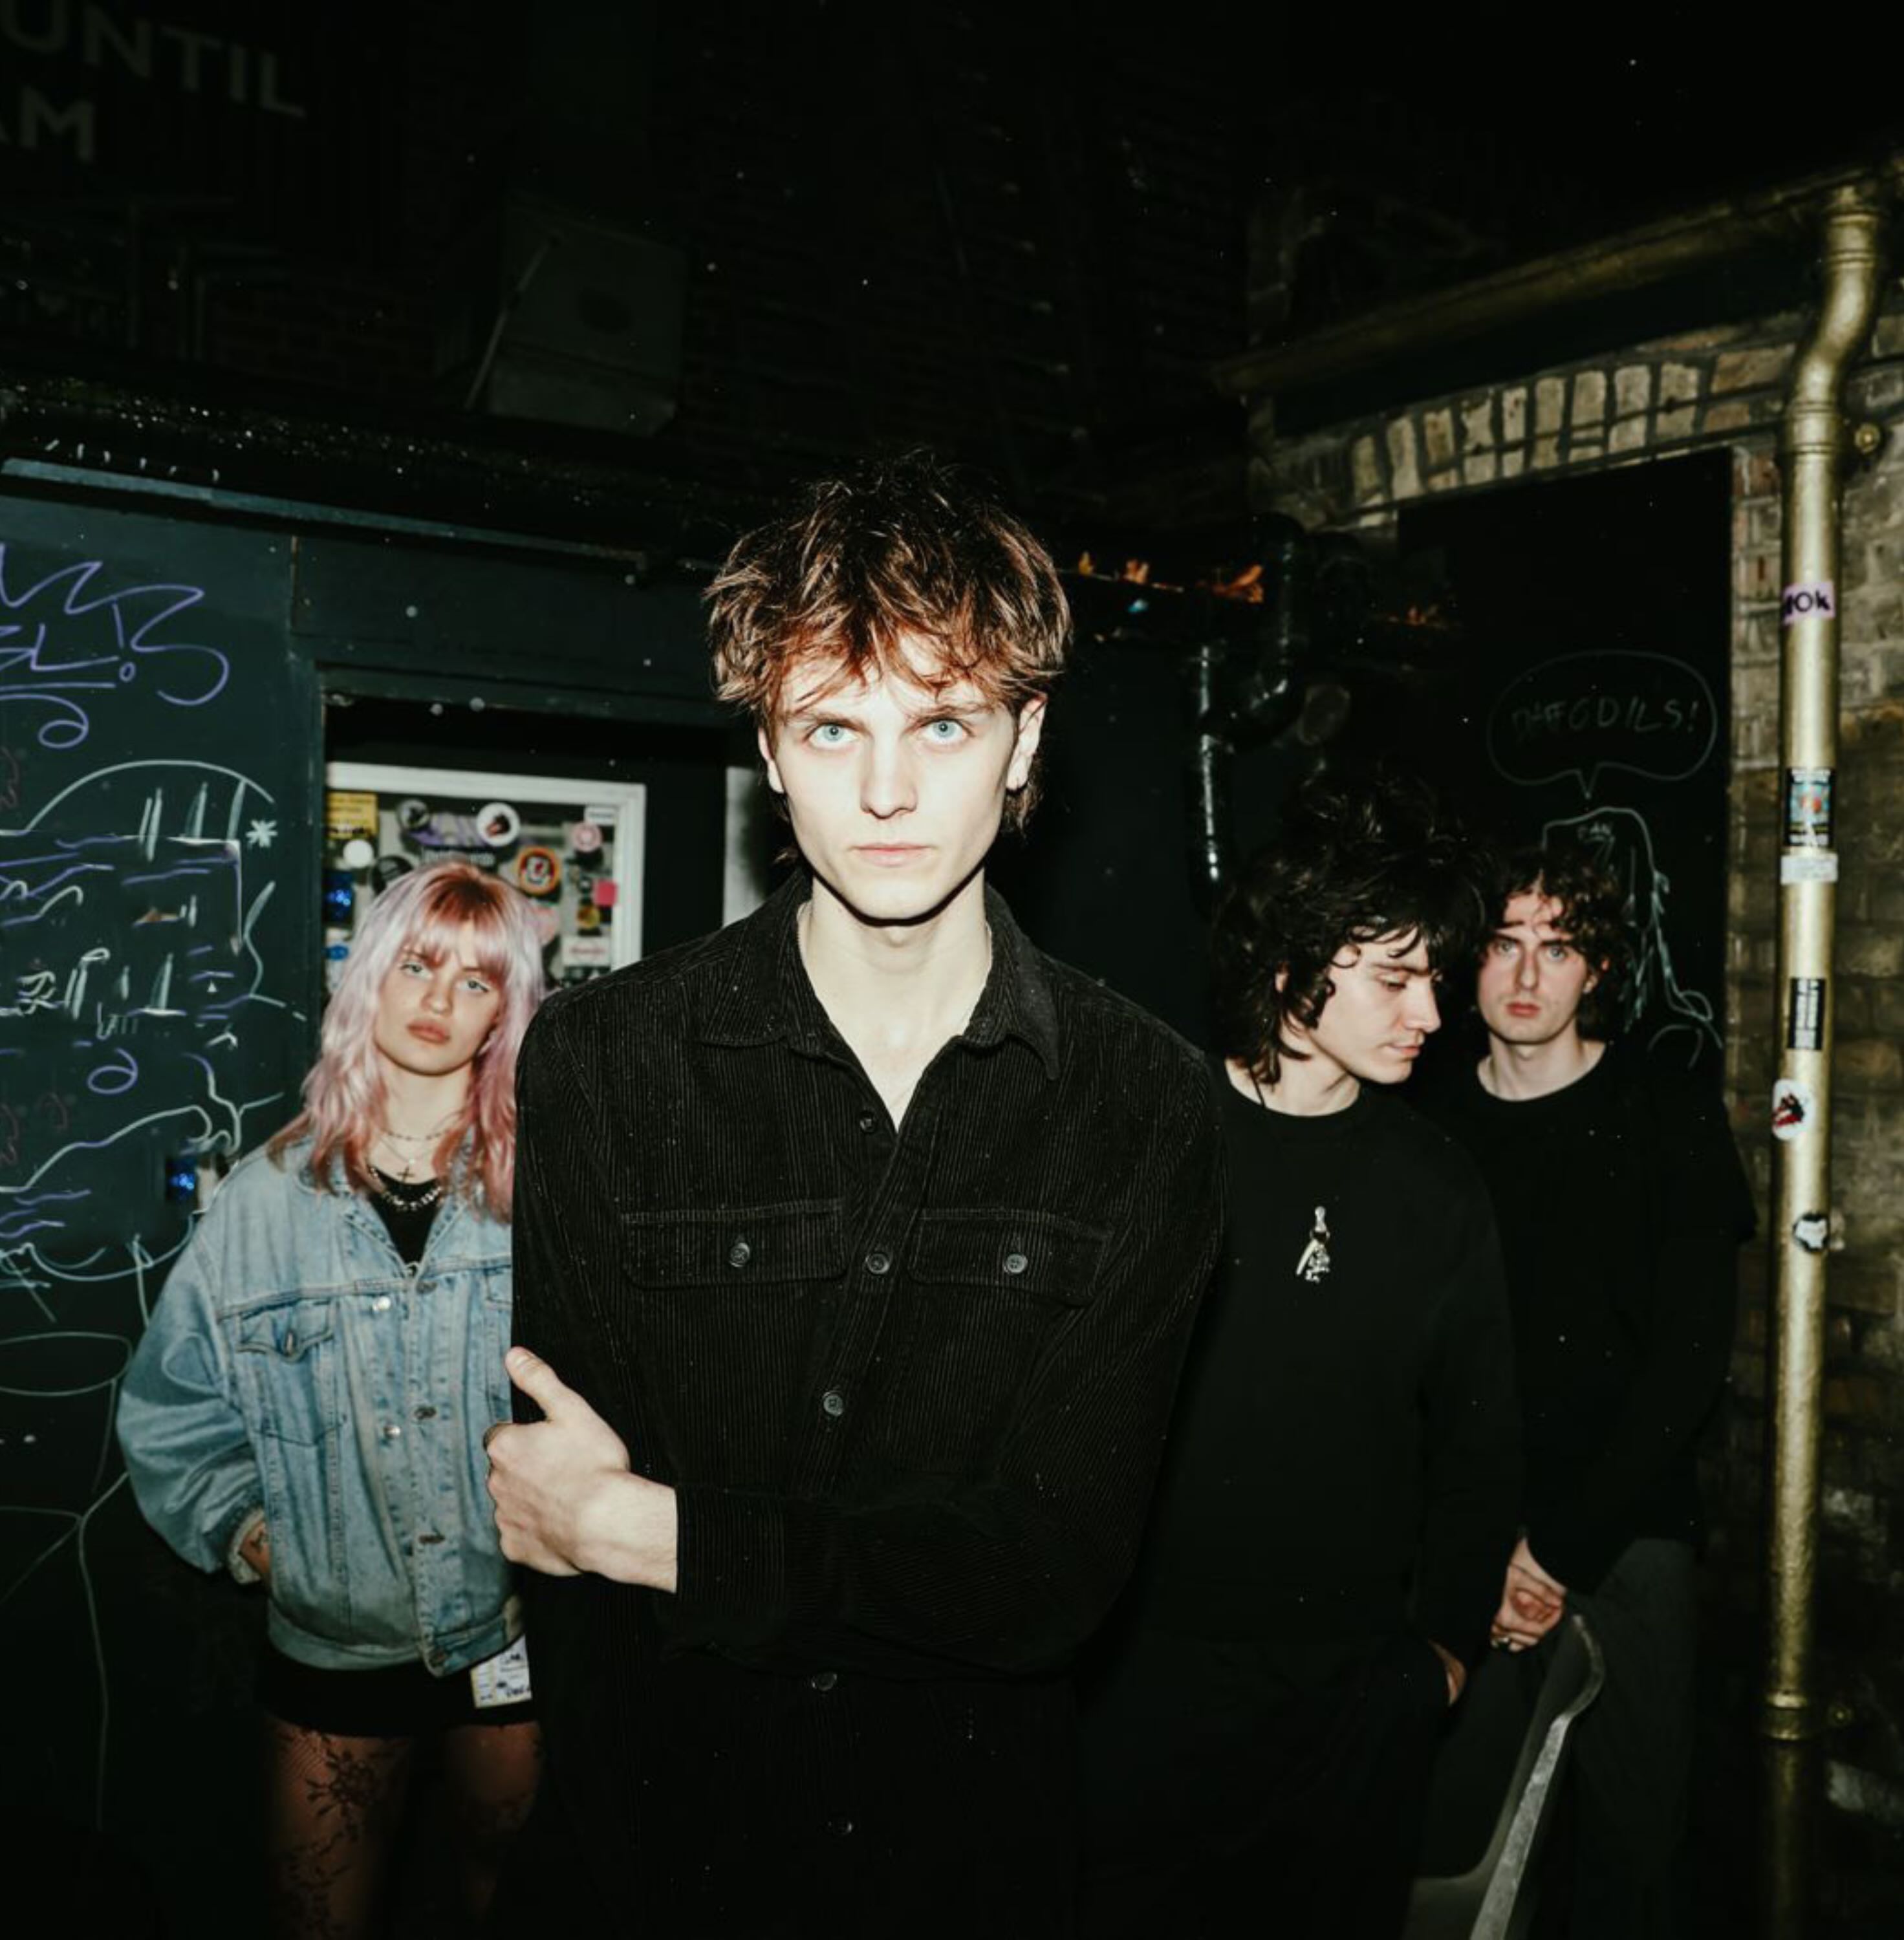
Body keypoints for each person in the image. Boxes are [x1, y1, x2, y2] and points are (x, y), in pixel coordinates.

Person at [479, 452, 1224, 1937]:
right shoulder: (607, 1060)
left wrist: (658, 1534)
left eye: (943, 723)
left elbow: (1049, 1581)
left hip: (964, 1874)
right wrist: (630, 1536)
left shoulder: (1145, 1102)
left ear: (1024, 740)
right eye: (833, 727)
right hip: (655, 1870)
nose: (887, 791)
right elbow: (565, 1549)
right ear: (770, 748)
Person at [1077, 775, 1522, 1940]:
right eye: (1395, 979)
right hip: (1144, 1689)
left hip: (1353, 1696)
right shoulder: (1154, 1137)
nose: (1431, 1013)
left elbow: (1482, 1443)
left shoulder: (1435, 1187)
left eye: (1436, 979)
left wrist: (1441, 1658)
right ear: (1288, 967)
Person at [118, 861, 547, 1938]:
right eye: (417, 966)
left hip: (510, 1635)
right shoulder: (265, 1202)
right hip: (332, 1650)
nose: (440, 1000)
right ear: (370, 978)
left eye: (477, 981)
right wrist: (262, 1542)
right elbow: (172, 1410)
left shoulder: (547, 1193)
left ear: (506, 1013)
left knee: (517, 1904)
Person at [1414, 841, 1755, 1940]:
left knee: (1631, 1854)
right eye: (1504, 944)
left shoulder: (1665, 1112)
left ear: (1597, 967)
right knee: (1458, 1863)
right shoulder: (1425, 1123)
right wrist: (1479, 1546)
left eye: (1557, 949)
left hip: (1625, 1528)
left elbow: (1688, 1364)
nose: (1526, 975)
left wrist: (1558, 1551)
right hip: (1463, 1537)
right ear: (1466, 960)